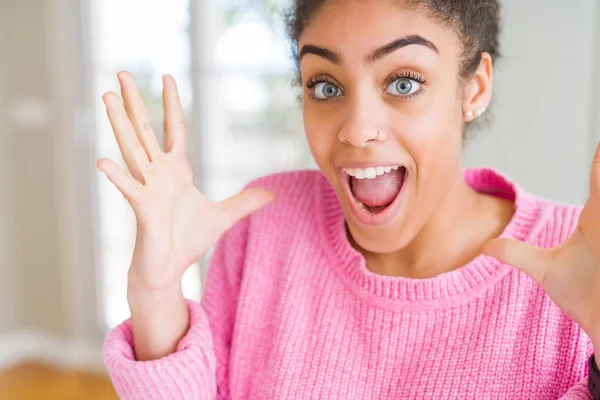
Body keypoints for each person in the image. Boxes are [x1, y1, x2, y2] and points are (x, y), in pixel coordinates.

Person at [98, 0, 600, 398]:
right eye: (325, 86)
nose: (357, 130)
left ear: (474, 87)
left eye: (403, 82)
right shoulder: (265, 222)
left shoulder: (575, 261)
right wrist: (156, 293)